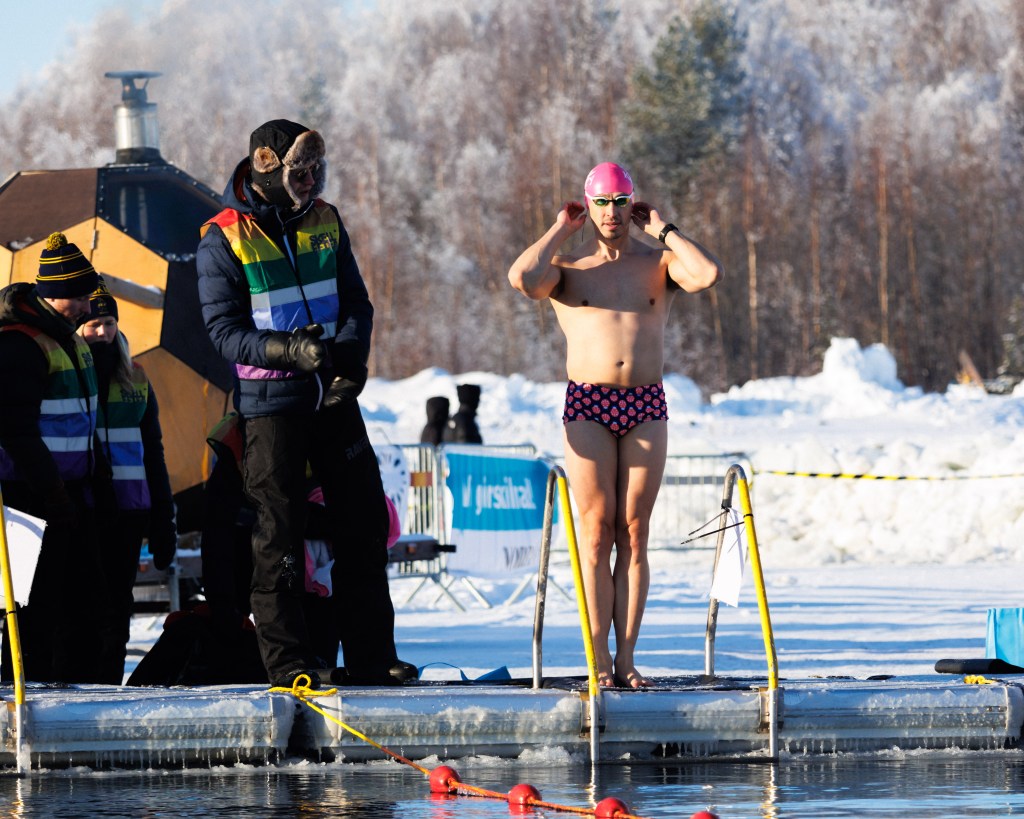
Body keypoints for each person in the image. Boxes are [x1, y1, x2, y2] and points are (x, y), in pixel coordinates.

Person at [196, 119, 414, 689]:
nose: (312, 182)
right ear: (268, 167)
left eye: (318, 170)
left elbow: (355, 303)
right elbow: (223, 331)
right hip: (270, 406)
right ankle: (289, 661)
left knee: (364, 523)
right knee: (279, 533)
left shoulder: (326, 219)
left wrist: (349, 359)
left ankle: (371, 656)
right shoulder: (223, 236)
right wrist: (291, 351)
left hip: (333, 398)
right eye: (301, 172)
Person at [508, 162, 722, 688]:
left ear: (633, 204)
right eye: (601, 202)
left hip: (645, 403)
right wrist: (560, 227)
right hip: (589, 404)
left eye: (619, 201)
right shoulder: (568, 267)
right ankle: (597, 658)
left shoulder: (658, 262)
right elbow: (522, 278)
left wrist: (666, 229)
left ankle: (627, 660)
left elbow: (707, 274)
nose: (611, 212)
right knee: (596, 530)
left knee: (635, 531)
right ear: (590, 205)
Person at [0, 232, 118, 682]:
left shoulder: (69, 340)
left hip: (72, 493)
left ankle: (78, 692)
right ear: (57, 296)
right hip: (30, 498)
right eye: (82, 299)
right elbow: (16, 431)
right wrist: (52, 494)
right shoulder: (19, 344)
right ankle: (28, 698)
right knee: (35, 610)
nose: (90, 308)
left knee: (84, 605)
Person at [78, 279, 177, 681]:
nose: (102, 332)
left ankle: (108, 685)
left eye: (109, 324)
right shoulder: (68, 374)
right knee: (82, 605)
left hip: (128, 511)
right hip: (82, 510)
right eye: (93, 324)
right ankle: (78, 686)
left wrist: (164, 521)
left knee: (117, 609)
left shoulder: (136, 377)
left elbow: (153, 452)